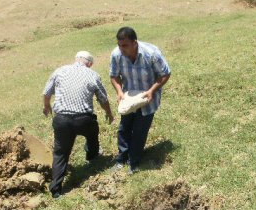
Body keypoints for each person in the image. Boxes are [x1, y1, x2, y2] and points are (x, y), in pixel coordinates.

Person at [43, 51, 114, 198]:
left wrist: (47, 106)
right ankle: (92, 155)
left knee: (61, 153)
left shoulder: (60, 71)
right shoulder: (92, 75)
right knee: (93, 132)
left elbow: (47, 92)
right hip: (84, 120)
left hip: (62, 120)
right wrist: (109, 113)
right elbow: (103, 98)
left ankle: (56, 190)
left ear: (76, 59)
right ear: (90, 63)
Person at [110, 27, 171, 174]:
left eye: (125, 45)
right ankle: (121, 158)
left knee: (139, 132)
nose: (121, 48)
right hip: (128, 99)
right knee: (124, 129)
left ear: (134, 42)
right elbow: (114, 76)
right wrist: (119, 91)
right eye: (119, 45)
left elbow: (165, 74)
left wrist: (151, 91)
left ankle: (134, 162)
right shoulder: (116, 54)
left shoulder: (151, 54)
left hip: (147, 99)